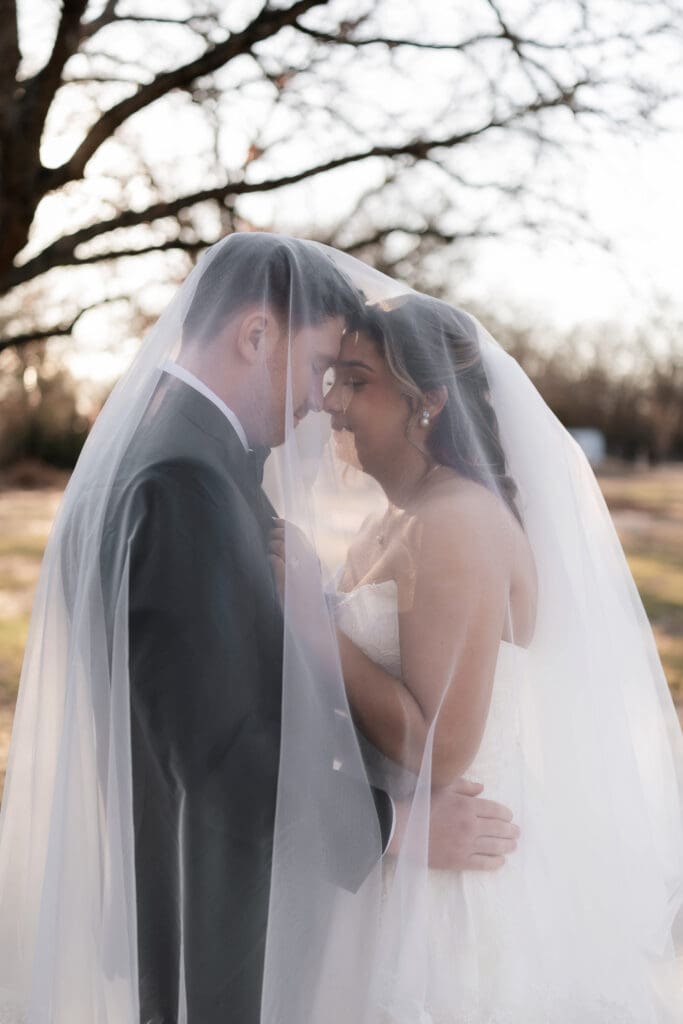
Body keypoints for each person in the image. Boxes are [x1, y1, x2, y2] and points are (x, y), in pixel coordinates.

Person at [0, 234, 518, 1024]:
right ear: (255, 335)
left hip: (221, 894)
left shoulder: (177, 456)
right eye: (319, 368)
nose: (323, 400)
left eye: (347, 379)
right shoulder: (182, 483)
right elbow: (213, 757)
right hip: (223, 909)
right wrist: (395, 826)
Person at [294, 287, 683, 1022]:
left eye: (358, 380)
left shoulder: (457, 522)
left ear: (427, 402)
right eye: (333, 378)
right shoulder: (396, 517)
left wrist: (309, 626)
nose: (332, 402)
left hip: (448, 898)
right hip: (393, 863)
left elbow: (442, 748)